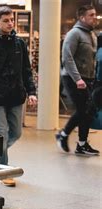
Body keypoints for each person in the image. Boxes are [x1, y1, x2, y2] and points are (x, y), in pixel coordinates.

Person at [0, 6, 37, 187]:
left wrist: (32, 92)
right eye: (6, 20)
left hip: (15, 96)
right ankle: (4, 171)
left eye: (12, 20)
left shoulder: (20, 44)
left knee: (16, 133)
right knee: (2, 134)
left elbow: (26, 71)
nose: (10, 23)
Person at [56, 5, 100, 155]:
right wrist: (77, 79)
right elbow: (67, 58)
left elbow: (92, 60)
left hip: (88, 78)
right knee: (83, 110)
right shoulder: (74, 34)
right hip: (72, 78)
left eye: (95, 15)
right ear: (82, 17)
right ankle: (62, 135)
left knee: (88, 111)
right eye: (91, 15)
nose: (95, 17)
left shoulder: (92, 35)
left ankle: (82, 144)